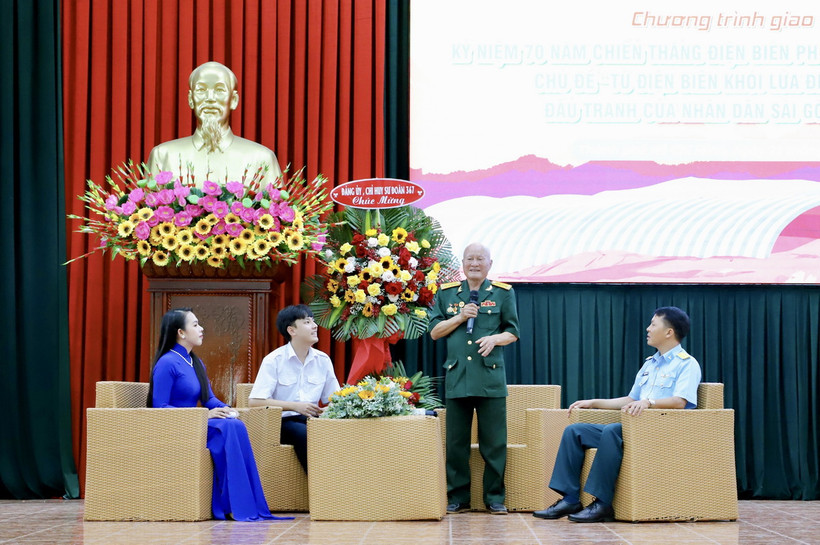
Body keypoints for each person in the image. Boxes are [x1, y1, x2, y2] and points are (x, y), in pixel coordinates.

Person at [533, 306, 702, 523]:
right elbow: (631, 400)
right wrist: (593, 403)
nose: (648, 329)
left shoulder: (687, 364)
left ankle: (602, 504)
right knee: (575, 431)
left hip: (662, 431)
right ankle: (570, 498)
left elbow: (680, 402)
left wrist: (649, 403)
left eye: (653, 324)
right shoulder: (649, 364)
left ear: (669, 332)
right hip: (632, 429)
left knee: (613, 430)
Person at [148, 307, 288, 521]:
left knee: (235, 424)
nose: (201, 328)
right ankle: (230, 504)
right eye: (195, 324)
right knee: (226, 430)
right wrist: (204, 415)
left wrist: (226, 408)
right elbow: (159, 408)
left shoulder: (195, 362)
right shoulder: (167, 363)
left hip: (198, 423)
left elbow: (209, 399)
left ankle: (243, 504)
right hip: (179, 427)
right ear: (181, 333)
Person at [428, 243, 520, 515]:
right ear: (463, 263)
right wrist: (460, 316)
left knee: (494, 442)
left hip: (490, 376)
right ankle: (458, 497)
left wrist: (495, 338)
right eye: (470, 259)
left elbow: (513, 332)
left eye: (480, 259)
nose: (475, 263)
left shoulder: (503, 293)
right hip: (458, 375)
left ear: (490, 263)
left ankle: (494, 497)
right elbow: (434, 332)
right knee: (456, 442)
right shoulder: (446, 294)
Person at [146, 61, 283, 185]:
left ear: (234, 100)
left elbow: (276, 210)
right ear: (191, 99)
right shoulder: (163, 155)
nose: (210, 98)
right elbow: (146, 209)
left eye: (219, 90)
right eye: (201, 90)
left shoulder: (261, 158)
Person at [248, 304, 340, 473]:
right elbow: (255, 401)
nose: (314, 326)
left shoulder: (323, 360)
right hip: (283, 422)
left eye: (313, 321)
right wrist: (296, 406)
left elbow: (334, 399)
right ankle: (321, 483)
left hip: (313, 420)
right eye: (307, 322)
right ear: (292, 330)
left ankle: (339, 481)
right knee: (306, 434)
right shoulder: (274, 360)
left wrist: (329, 410)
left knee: (338, 432)